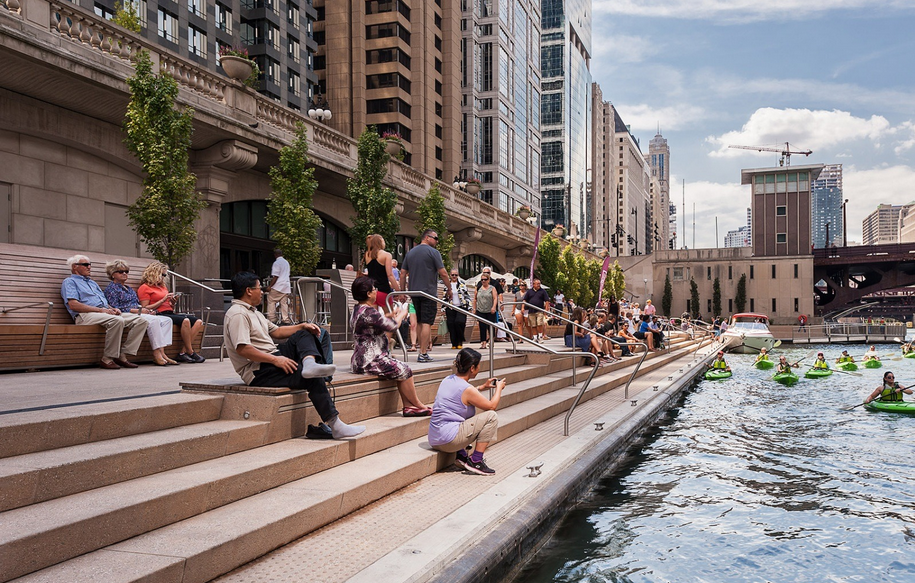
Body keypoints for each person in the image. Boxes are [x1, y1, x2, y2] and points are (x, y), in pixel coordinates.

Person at [224, 271, 364, 439]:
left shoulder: (254, 312)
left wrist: (303, 326)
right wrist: (276, 360)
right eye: (259, 288)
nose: (262, 292)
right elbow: (243, 348)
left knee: (307, 333)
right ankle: (335, 425)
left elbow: (277, 331)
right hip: (258, 370)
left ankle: (310, 364)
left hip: (271, 357)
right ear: (248, 291)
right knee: (313, 378)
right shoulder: (238, 314)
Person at [349, 277, 430, 416]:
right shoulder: (368, 311)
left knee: (399, 368)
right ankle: (417, 404)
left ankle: (408, 407)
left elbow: (375, 323)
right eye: (374, 289)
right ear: (368, 293)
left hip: (360, 359)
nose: (376, 292)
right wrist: (401, 314)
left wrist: (388, 315)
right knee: (405, 369)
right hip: (370, 360)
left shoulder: (358, 309)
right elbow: (392, 326)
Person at [61, 255, 148, 369]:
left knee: (141, 320)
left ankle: (122, 355)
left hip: (102, 313)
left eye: (90, 264)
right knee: (117, 320)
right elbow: (73, 305)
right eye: (86, 265)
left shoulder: (92, 283)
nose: (89, 267)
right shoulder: (69, 282)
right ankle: (107, 359)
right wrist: (101, 310)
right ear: (75, 267)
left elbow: (103, 303)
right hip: (85, 316)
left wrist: (112, 308)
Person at [428, 348, 504, 475]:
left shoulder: (448, 379)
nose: (480, 368)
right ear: (472, 368)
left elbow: (461, 395)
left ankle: (462, 455)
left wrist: (482, 387)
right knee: (491, 416)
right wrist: (499, 389)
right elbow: (491, 406)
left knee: (463, 413)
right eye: (479, 365)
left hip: (434, 439)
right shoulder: (467, 389)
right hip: (449, 441)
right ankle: (476, 461)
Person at [104, 260, 176, 366]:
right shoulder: (111, 289)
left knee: (167, 320)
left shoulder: (128, 289)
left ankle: (162, 352)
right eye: (120, 271)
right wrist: (138, 311)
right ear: (112, 274)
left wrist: (150, 311)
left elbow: (138, 305)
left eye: (126, 271)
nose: (124, 274)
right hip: (125, 314)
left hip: (138, 313)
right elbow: (116, 308)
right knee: (154, 321)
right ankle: (156, 354)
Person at [137, 262, 205, 363]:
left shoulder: (162, 287)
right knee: (185, 320)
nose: (163, 277)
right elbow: (145, 308)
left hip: (169, 312)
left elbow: (168, 305)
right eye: (162, 274)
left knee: (198, 322)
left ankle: (183, 352)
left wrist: (173, 302)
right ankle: (191, 352)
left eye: (165, 275)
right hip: (158, 313)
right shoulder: (145, 288)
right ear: (154, 273)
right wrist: (163, 300)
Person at [400, 229, 452, 363]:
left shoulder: (410, 252)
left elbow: (402, 273)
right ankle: (422, 353)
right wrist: (449, 288)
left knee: (419, 321)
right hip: (428, 292)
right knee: (427, 322)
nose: (437, 241)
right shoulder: (433, 253)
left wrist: (402, 291)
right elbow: (443, 273)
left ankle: (421, 350)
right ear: (427, 237)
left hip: (414, 292)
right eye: (435, 238)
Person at [363, 234, 400, 312]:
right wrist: (399, 291)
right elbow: (390, 275)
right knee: (389, 319)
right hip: (384, 291)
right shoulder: (386, 255)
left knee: (373, 319)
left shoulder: (367, 254)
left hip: (372, 291)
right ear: (380, 242)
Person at [445, 269, 471, 349]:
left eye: (456, 275)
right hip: (450, 307)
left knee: (459, 322)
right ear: (450, 275)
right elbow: (444, 297)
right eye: (452, 275)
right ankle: (454, 343)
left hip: (461, 307)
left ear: (458, 276)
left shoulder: (462, 284)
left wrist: (469, 306)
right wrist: (443, 307)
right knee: (451, 325)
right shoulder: (447, 285)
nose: (454, 276)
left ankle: (460, 340)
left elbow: (467, 296)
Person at [473, 271, 499, 350]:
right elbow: (475, 299)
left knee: (490, 326)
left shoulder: (492, 288)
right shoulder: (479, 288)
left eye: (485, 279)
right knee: (482, 326)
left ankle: (491, 340)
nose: (483, 281)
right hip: (480, 310)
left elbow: (495, 298)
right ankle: (483, 342)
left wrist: (494, 307)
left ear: (488, 280)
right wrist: (474, 309)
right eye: (482, 280)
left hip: (490, 310)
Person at [266, 248, 292, 324]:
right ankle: (286, 319)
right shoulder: (286, 262)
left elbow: (276, 276)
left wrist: (270, 286)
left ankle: (272, 319)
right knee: (284, 303)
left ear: (275, 255)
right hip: (286, 286)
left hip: (278, 286)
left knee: (271, 300)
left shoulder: (276, 263)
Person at [522, 277, 551, 342]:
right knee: (533, 325)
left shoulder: (543, 291)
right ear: (533, 284)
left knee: (539, 324)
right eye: (537, 284)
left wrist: (546, 310)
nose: (538, 285)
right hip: (531, 311)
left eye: (539, 284)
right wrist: (523, 307)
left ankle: (540, 336)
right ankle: (535, 337)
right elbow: (524, 300)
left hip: (539, 310)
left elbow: (547, 301)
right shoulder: (529, 291)